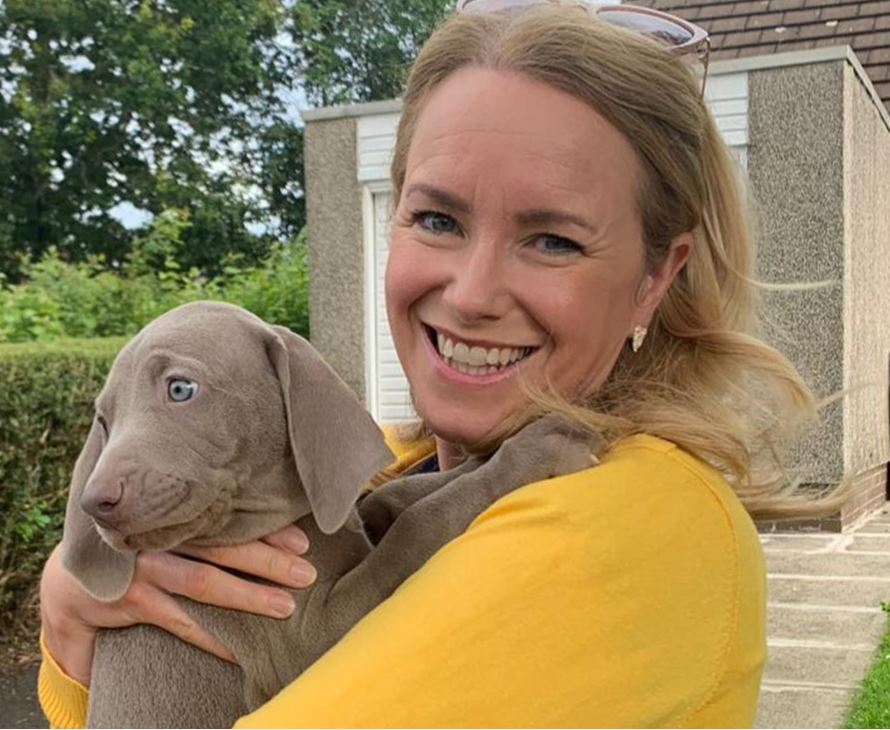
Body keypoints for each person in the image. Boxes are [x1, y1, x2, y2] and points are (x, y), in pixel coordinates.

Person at [37, 1, 845, 727]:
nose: (471, 293)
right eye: (436, 218)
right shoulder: (388, 467)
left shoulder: (636, 522)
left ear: (653, 280)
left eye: (552, 239)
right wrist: (75, 628)